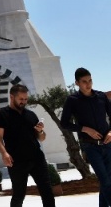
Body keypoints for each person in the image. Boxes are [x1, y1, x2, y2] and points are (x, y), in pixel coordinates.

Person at [0, 84, 54, 207]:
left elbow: (41, 138)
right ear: (12, 97)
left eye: (26, 99)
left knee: (47, 191)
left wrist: (40, 131)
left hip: (37, 158)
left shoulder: (31, 115)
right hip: (16, 161)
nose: (24, 102)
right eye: (21, 99)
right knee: (19, 194)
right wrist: (4, 153)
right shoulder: (2, 115)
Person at [60, 68, 111, 206]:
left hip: (108, 144)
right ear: (77, 83)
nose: (88, 84)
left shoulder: (101, 97)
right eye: (84, 82)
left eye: (90, 80)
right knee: (105, 181)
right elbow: (64, 123)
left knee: (107, 182)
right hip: (90, 146)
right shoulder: (72, 100)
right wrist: (84, 129)